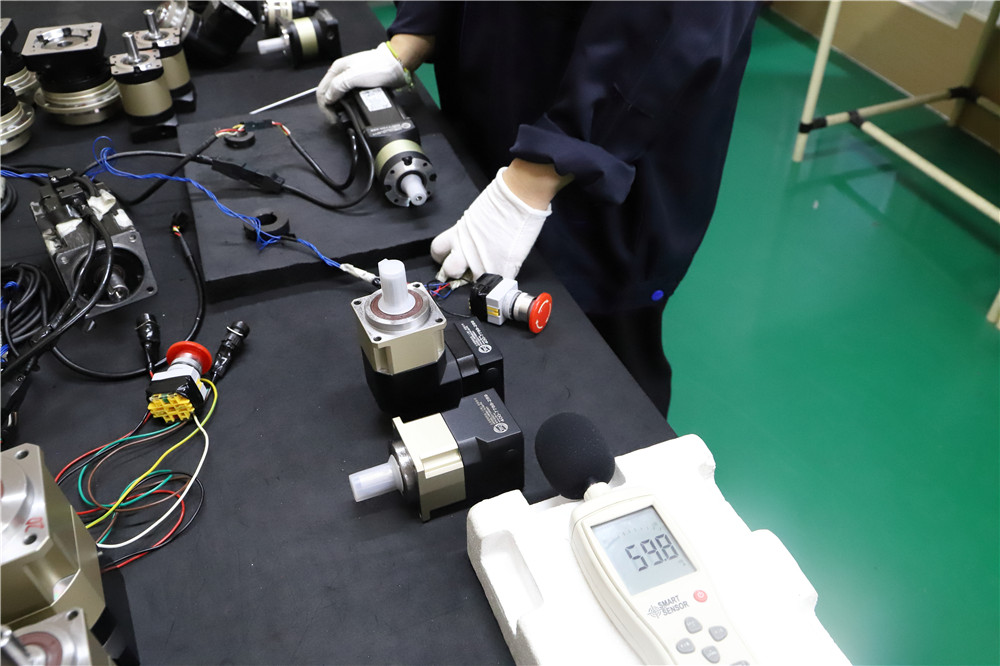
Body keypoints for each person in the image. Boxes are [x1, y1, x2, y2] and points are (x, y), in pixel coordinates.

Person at [317, 2, 759, 418]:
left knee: (601, 383)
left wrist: (538, 174)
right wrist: (419, 27)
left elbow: (675, 20)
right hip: (499, 101)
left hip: (611, 157)